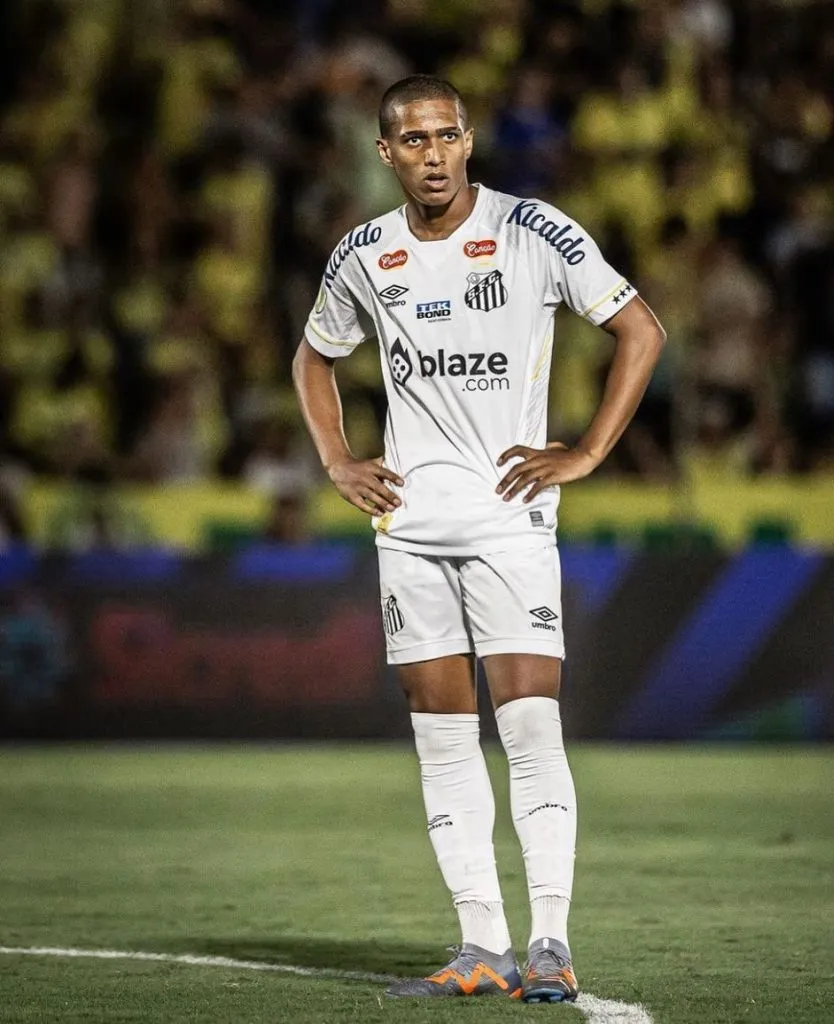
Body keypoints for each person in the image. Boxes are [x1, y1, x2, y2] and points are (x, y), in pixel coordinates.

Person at [293, 75, 665, 1002]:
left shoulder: (534, 230)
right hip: (409, 528)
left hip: (509, 519)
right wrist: (337, 460)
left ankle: (550, 944)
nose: (433, 154)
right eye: (413, 140)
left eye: (447, 136)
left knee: (530, 728)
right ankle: (481, 946)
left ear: (469, 140)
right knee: (442, 741)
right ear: (385, 152)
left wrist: (587, 450)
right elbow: (312, 357)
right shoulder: (363, 253)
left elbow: (640, 331)